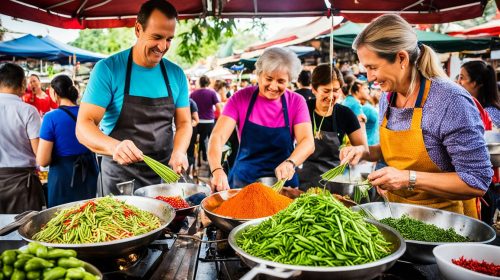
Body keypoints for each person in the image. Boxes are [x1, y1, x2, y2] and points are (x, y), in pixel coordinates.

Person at [342, 14, 492, 218]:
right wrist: (366, 152)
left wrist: (408, 178)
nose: (369, 78)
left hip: (447, 223)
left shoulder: (450, 101)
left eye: (373, 67)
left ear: (402, 58)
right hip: (397, 215)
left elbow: (477, 180)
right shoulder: (388, 96)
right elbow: (399, 153)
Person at [76, 0, 192, 194]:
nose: (163, 46)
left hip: (163, 180)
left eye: (169, 39)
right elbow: (83, 126)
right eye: (156, 37)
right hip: (120, 182)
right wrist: (114, 147)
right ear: (138, 29)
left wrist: (179, 151)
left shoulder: (176, 74)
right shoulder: (109, 69)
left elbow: (184, 124)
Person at [208, 47, 315, 190]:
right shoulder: (240, 98)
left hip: (283, 184)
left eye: (281, 81)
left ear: (290, 80)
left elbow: (307, 142)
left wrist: (291, 162)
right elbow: (217, 137)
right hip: (244, 183)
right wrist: (217, 169)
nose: (273, 86)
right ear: (259, 75)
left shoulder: (296, 102)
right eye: (269, 79)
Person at [297, 64, 367, 190]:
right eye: (326, 91)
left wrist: (356, 151)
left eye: (335, 90)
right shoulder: (302, 110)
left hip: (337, 181)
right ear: (314, 89)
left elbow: (364, 149)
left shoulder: (346, 114)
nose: (331, 96)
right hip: (307, 181)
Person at [36, 75, 98, 207]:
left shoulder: (50, 118)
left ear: (54, 93)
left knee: (63, 220)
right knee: (88, 216)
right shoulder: (88, 113)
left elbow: (43, 160)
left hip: (63, 177)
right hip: (89, 174)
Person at [0, 63, 45, 213]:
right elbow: (40, 155)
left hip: (20, 181)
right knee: (23, 231)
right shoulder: (28, 111)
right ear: (22, 84)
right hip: (22, 184)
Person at [459, 60, 500, 128]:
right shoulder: (473, 108)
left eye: (461, 77)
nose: (458, 82)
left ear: (474, 82)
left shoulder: (490, 113)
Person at [190, 75, 221, 162]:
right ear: (208, 83)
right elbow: (218, 107)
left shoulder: (193, 93)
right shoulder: (212, 93)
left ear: (200, 83)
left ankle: (194, 161)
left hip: (196, 122)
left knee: (195, 142)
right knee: (211, 141)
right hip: (209, 122)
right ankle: (209, 159)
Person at [352, 80, 379, 145]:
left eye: (367, 88)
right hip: (368, 146)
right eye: (365, 89)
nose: (368, 91)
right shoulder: (365, 108)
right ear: (357, 92)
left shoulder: (367, 105)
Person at [186, 98, 199, 174]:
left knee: (190, 150)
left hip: (190, 131)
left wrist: (186, 127)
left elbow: (196, 120)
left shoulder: (191, 102)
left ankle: (189, 171)